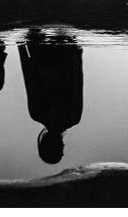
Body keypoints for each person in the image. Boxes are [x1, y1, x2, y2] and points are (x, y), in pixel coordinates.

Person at [19, 28, 83, 164]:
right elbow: (29, 80)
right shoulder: (36, 114)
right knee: (37, 20)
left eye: (61, 148)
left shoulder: (73, 118)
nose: (64, 146)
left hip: (63, 59)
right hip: (39, 59)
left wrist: (77, 53)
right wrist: (22, 48)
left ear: (59, 145)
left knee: (60, 21)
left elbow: (77, 83)